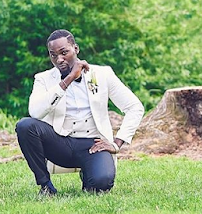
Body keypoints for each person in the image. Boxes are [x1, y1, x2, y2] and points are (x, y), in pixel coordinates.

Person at [15, 29, 144, 196]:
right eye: (53, 55)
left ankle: (90, 174)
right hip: (60, 142)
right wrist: (67, 81)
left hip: (93, 144)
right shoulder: (43, 79)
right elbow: (35, 112)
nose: (59, 59)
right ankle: (46, 186)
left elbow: (135, 107)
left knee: (101, 185)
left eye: (64, 52)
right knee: (25, 126)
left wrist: (116, 143)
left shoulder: (103, 74)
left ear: (76, 49)